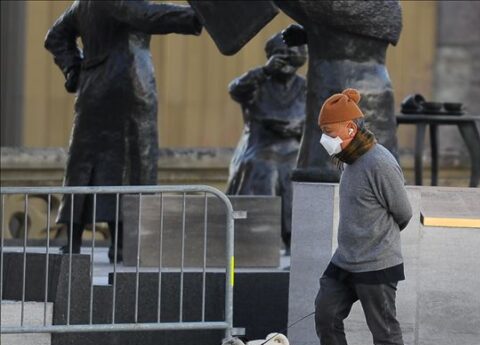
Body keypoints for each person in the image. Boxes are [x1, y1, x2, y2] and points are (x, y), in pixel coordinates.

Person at [44, 0, 202, 262]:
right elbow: (145, 15)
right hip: (128, 84)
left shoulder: (82, 3)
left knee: (84, 163)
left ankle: (75, 242)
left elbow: (55, 35)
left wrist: (73, 68)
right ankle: (120, 244)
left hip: (93, 88)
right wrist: (194, 17)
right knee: (131, 164)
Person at [304, 89, 417, 345]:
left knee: (384, 332)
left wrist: (376, 240)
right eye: (323, 132)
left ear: (350, 129)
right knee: (325, 314)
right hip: (344, 261)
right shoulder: (349, 159)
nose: (325, 139)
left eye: (329, 132)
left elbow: (403, 211)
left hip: (377, 263)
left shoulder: (379, 161)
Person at [225, 30, 307, 251]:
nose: (288, 58)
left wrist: (297, 126)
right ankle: (260, 238)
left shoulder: (306, 87)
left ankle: (294, 239)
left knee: (296, 171)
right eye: (281, 54)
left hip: (293, 148)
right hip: (260, 147)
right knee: (264, 168)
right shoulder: (258, 82)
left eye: (294, 53)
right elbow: (235, 89)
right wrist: (264, 71)